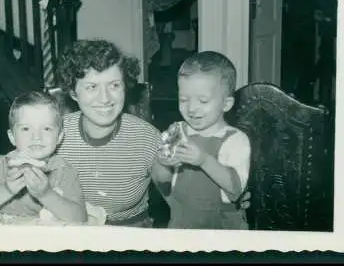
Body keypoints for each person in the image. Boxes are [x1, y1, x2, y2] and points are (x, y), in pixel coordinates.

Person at [55, 39, 250, 227]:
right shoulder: (54, 134)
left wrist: (233, 200)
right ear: (73, 92)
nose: (105, 98)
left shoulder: (147, 137)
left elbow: (174, 191)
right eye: (91, 87)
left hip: (129, 237)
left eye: (114, 85)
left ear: (125, 86)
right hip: (69, 233)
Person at [153, 51, 251, 229]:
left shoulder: (235, 140)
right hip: (181, 224)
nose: (191, 108)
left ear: (226, 104)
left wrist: (203, 160)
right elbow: (161, 181)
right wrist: (164, 162)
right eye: (183, 99)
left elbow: (236, 190)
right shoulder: (177, 132)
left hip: (221, 228)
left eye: (203, 101)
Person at [0, 91, 87, 223]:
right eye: (26, 129)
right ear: (12, 137)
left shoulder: (64, 171)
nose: (36, 136)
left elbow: (81, 219)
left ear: (59, 137)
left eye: (47, 129)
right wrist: (7, 189)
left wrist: (46, 194)